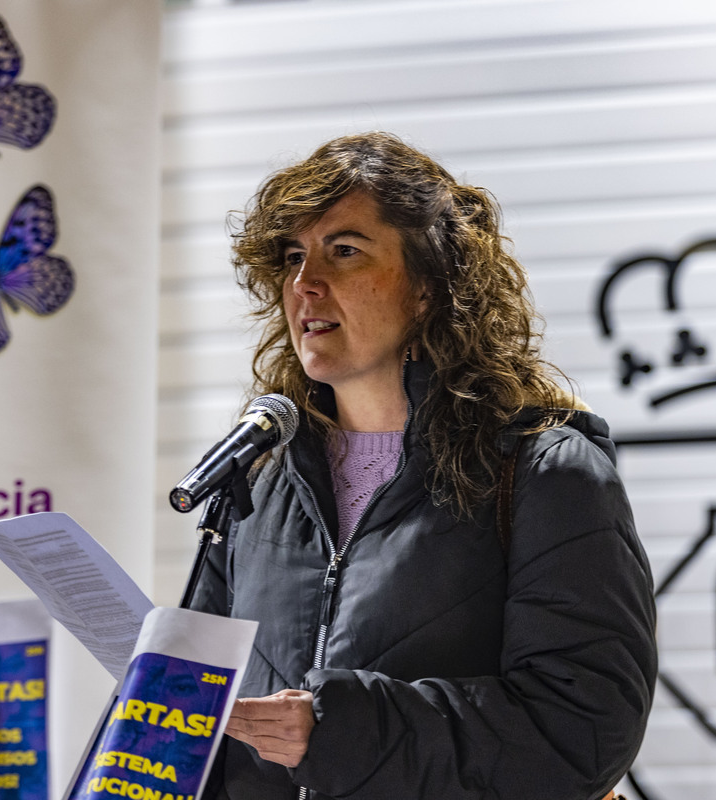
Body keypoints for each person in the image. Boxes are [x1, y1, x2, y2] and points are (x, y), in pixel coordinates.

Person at [189, 131, 657, 800]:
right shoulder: (259, 476)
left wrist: (339, 731)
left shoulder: (545, 472)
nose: (305, 284)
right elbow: (205, 713)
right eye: (293, 257)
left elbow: (582, 728)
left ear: (428, 288)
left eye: (343, 251)